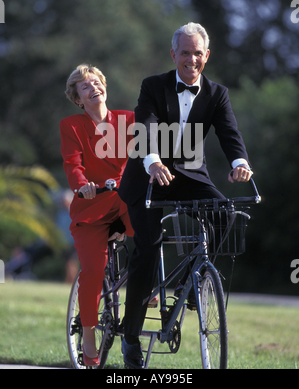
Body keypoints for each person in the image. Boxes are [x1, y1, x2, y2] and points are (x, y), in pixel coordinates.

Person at [118, 22, 253, 369]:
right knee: (146, 252)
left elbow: (229, 132)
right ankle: (130, 338)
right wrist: (152, 161)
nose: (191, 59)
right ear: (173, 54)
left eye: (197, 53)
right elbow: (145, 125)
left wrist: (240, 162)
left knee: (225, 213)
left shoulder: (216, 94)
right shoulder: (153, 86)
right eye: (185, 53)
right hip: (149, 175)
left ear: (206, 56)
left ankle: (187, 286)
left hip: (190, 174)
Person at [60, 64, 134, 367]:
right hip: (91, 205)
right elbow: (72, 163)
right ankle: (88, 336)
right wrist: (82, 185)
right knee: (93, 268)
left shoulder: (128, 120)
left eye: (96, 82)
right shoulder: (72, 126)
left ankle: (147, 284)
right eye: (85, 86)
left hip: (124, 199)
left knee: (148, 227)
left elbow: (141, 156)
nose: (93, 88)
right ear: (78, 98)